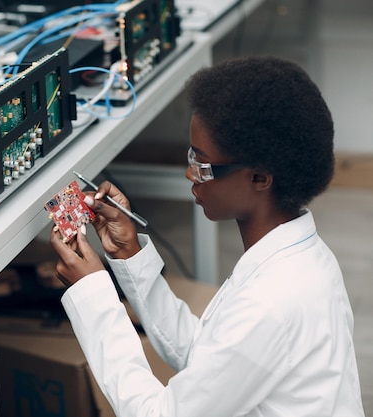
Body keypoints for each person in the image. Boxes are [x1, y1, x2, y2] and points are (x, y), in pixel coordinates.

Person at [49, 56, 365, 417]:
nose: (189, 173)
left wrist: (93, 294)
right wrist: (129, 255)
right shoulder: (301, 258)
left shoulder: (272, 301)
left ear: (259, 178)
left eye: (202, 163)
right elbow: (208, 357)